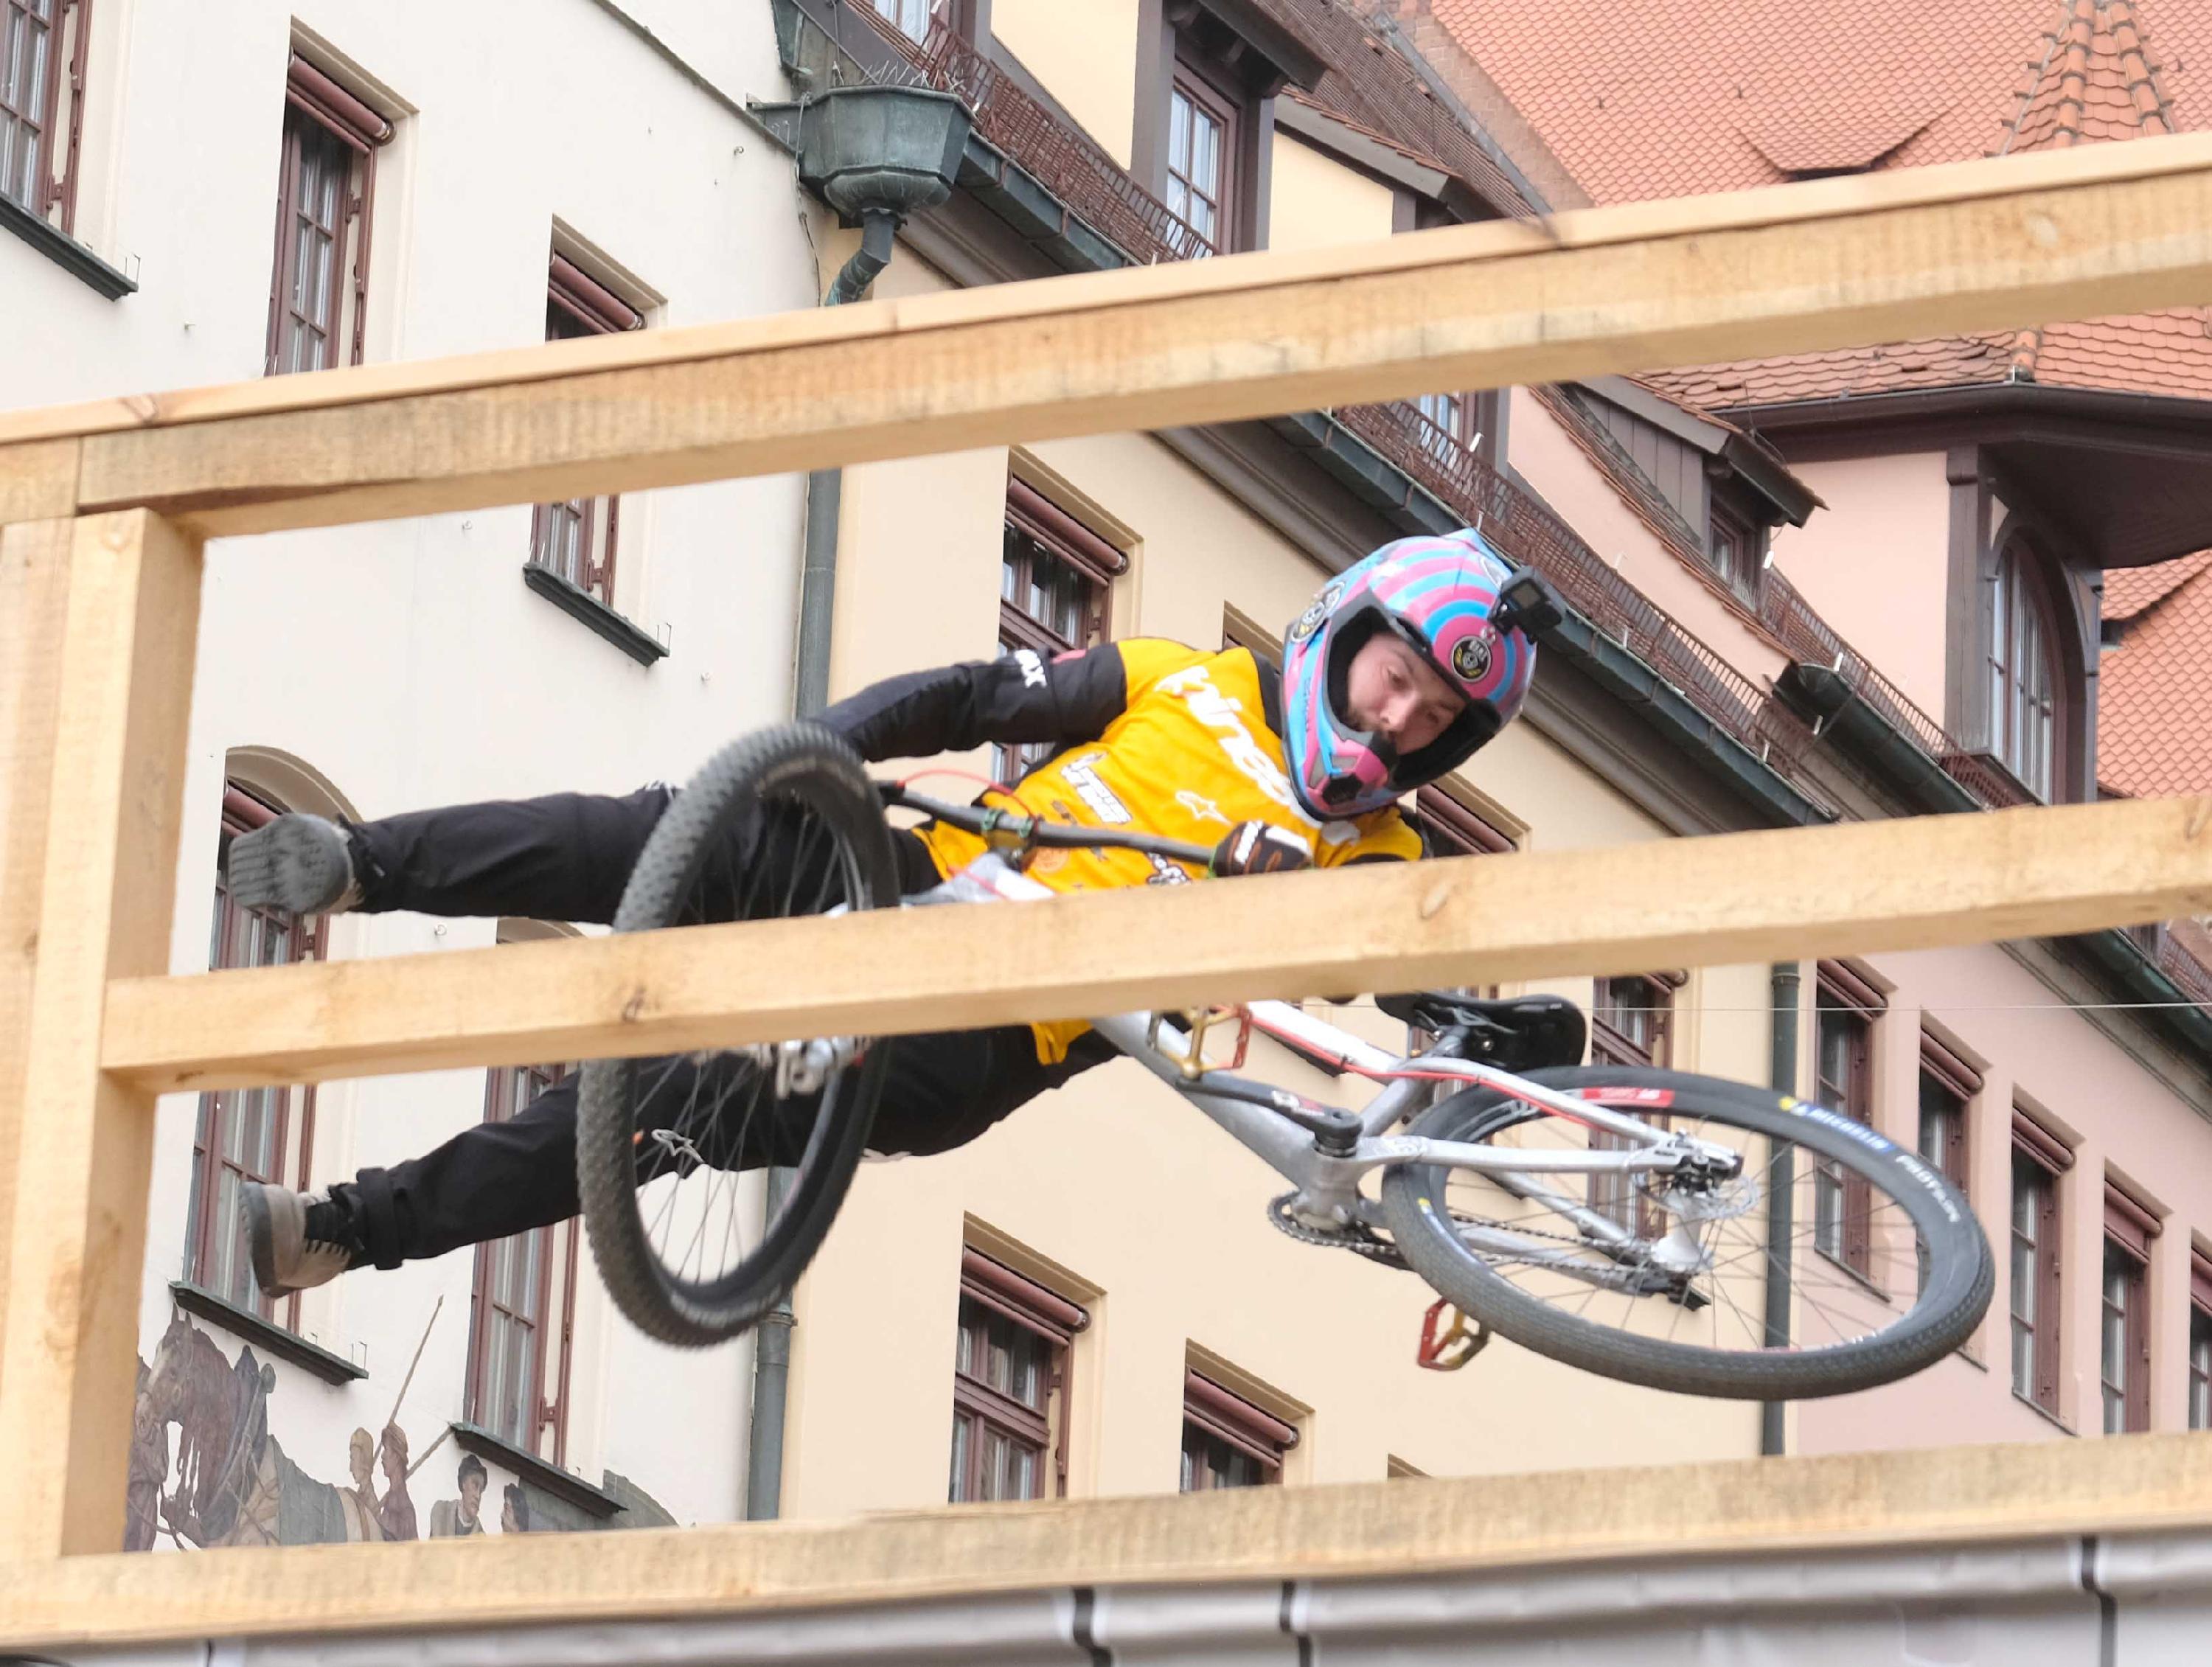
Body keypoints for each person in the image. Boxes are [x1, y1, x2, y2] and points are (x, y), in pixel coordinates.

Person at [236, 529, 1546, 1296]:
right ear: (1346, 630)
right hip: (915, 879)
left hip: (980, 1040)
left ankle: (350, 1228)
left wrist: (1472, 1026)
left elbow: (1393, 956)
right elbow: (971, 695)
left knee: (642, 1103)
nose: (1395, 724)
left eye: (1434, 723)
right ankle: (358, 860)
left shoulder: (1377, 846)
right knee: (653, 835)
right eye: (1396, 682)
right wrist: (799, 759)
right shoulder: (1182, 681)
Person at [428, 1452, 489, 1537]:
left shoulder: (481, 1538)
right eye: (475, 1485)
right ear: (464, 1483)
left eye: (481, 1490)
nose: (478, 1496)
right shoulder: (441, 1512)